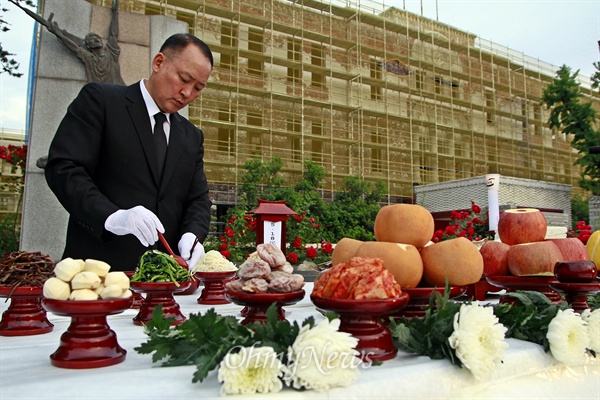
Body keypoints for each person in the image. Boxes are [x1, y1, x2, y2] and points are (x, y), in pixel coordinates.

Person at [45, 33, 213, 271]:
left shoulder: (192, 136)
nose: (187, 93)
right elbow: (64, 168)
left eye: (198, 88)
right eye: (184, 79)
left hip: (164, 281)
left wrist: (192, 235)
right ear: (158, 63)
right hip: (98, 273)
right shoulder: (102, 101)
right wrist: (111, 216)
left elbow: (198, 199)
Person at [11, 0, 125, 85]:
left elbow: (113, 34)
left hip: (120, 91)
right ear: (88, 46)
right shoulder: (88, 57)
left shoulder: (111, 52)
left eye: (97, 37)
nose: (96, 39)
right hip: (101, 94)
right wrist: (57, 33)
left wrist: (115, 13)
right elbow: (74, 47)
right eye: (92, 39)